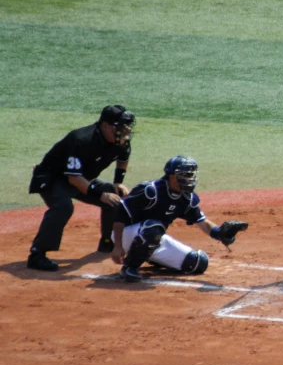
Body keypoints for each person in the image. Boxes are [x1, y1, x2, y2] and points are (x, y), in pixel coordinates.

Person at [27, 105, 136, 271]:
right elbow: (73, 177)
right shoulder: (81, 139)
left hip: (81, 179)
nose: (125, 131)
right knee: (63, 207)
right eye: (121, 127)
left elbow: (123, 160)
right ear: (106, 125)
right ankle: (37, 255)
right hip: (52, 179)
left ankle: (107, 242)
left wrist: (117, 182)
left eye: (127, 127)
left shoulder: (120, 141)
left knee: (113, 195)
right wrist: (100, 195)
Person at [111, 155, 248, 282]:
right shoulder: (150, 191)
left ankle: (150, 256)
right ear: (172, 176)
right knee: (154, 228)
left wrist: (220, 233)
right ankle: (129, 268)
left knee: (197, 262)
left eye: (191, 175)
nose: (190, 179)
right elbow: (121, 214)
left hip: (153, 237)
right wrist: (117, 246)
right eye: (186, 175)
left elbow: (202, 222)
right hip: (126, 235)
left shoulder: (186, 199)